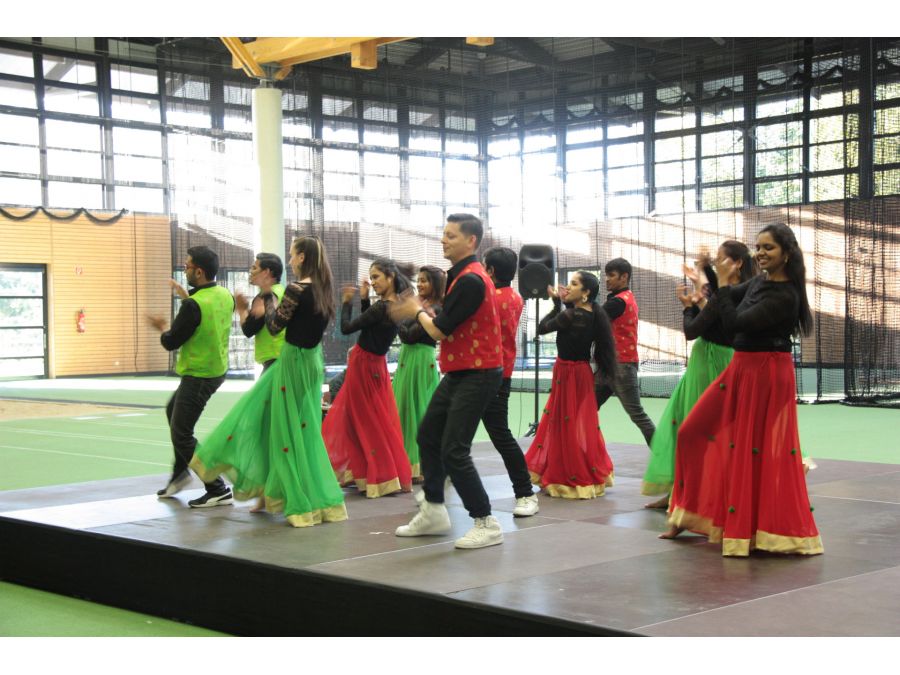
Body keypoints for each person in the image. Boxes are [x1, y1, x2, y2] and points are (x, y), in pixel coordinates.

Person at [662, 223, 823, 557]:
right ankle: (691, 513)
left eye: (769, 248)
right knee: (692, 432)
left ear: (787, 253)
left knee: (753, 452)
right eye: (759, 247)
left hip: (766, 373)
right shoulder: (760, 281)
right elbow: (728, 298)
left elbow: (735, 321)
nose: (761, 253)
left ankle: (752, 530)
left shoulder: (786, 294)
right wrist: (708, 269)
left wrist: (717, 279)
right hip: (741, 368)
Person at [188, 236, 348, 527]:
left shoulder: (297, 289)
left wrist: (271, 303)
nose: (289, 260)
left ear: (301, 258)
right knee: (300, 429)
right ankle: (275, 493)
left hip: (292, 363)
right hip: (312, 363)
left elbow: (275, 328)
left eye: (292, 255)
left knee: (283, 430)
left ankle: (296, 502)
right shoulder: (324, 290)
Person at [391, 213, 505, 550]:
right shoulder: (460, 278)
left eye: (451, 236)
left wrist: (416, 310)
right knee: (428, 434)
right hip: (461, 370)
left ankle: (486, 521)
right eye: (443, 234)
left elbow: (440, 330)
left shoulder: (471, 280)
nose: (444, 240)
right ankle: (434, 510)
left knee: (454, 448)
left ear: (471, 241)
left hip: (480, 372)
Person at [642, 241, 757, 509]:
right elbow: (718, 297)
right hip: (712, 361)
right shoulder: (745, 291)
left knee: (697, 428)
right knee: (684, 422)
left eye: (720, 259)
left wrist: (688, 307)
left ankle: (698, 494)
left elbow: (692, 330)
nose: (716, 263)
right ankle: (679, 492)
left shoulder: (730, 296)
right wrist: (701, 274)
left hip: (711, 362)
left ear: (737, 263)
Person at [146, 245, 234, 508]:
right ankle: (180, 474)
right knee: (173, 411)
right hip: (216, 369)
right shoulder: (224, 295)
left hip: (200, 374)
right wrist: (186, 298)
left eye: (186, 266)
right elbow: (204, 317)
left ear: (199, 271)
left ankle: (217, 488)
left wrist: (162, 327)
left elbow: (172, 341)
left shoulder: (193, 305)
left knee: (182, 433)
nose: (184, 270)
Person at [322, 258, 413, 498]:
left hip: (364, 366)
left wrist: (345, 303)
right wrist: (363, 298)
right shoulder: (393, 305)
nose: (372, 282)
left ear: (390, 277)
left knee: (363, 421)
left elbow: (347, 328)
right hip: (376, 366)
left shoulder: (382, 307)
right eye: (371, 278)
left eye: (376, 277)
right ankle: (374, 473)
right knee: (373, 419)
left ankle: (377, 474)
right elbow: (370, 325)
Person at [525, 271, 617, 498]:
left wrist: (556, 304)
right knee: (578, 424)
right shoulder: (594, 314)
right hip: (582, 372)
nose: (568, 287)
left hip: (567, 373)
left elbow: (541, 327)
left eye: (574, 284)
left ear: (585, 293)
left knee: (563, 423)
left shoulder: (570, 315)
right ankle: (584, 471)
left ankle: (568, 475)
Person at [481, 246, 538, 516]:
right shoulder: (514, 296)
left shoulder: (493, 297)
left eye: (483, 267)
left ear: (490, 271)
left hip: (491, 374)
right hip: (494, 373)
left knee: (500, 434)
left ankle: (525, 492)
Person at [594, 257, 656, 447]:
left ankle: (666, 457)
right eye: (606, 275)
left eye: (611, 275)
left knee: (637, 414)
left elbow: (592, 320)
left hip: (621, 366)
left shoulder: (618, 302)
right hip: (609, 365)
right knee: (585, 409)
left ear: (624, 277)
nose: (607, 279)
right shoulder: (624, 298)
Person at [392, 264, 445, 482]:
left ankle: (423, 464)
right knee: (403, 408)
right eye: (419, 280)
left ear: (435, 284)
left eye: (425, 280)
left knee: (420, 409)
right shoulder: (418, 306)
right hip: (407, 360)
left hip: (422, 362)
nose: (420, 284)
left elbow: (409, 334)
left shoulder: (438, 309)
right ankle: (404, 461)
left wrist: (410, 316)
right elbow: (403, 331)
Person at [235, 252, 286, 372]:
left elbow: (249, 329)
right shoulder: (282, 291)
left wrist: (242, 310)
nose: (251, 271)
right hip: (282, 357)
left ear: (266, 272)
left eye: (254, 267)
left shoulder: (265, 297)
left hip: (274, 360)